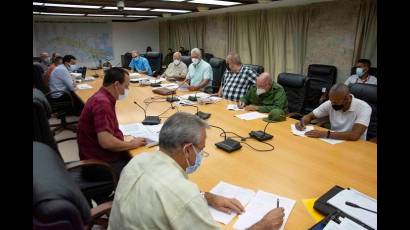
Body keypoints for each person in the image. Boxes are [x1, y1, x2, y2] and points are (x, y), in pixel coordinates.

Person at [108, 112, 285, 230]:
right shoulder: (183, 193)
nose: (201, 155)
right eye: (200, 149)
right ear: (187, 150)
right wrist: (264, 225)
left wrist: (209, 197)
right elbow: (178, 196)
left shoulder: (137, 161)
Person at [77, 67, 147, 182]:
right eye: (126, 86)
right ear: (116, 84)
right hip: (100, 165)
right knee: (144, 171)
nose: (127, 89)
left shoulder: (102, 96)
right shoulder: (102, 103)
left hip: (98, 157)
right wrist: (131, 144)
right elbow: (106, 142)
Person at [295, 83, 371, 141]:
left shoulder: (364, 108)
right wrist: (302, 123)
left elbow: (354, 135)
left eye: (335, 102)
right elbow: (310, 116)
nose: (331, 104)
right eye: (331, 101)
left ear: (347, 99)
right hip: (333, 140)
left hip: (355, 144)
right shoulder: (331, 103)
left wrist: (324, 134)